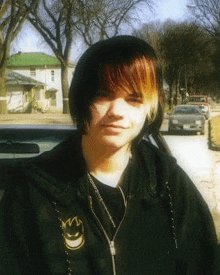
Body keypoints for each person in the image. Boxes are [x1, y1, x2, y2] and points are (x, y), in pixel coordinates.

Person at [0, 35, 218, 275]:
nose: (117, 112)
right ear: (82, 99)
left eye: (134, 99)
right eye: (104, 95)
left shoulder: (167, 185)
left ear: (151, 108)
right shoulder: (32, 190)